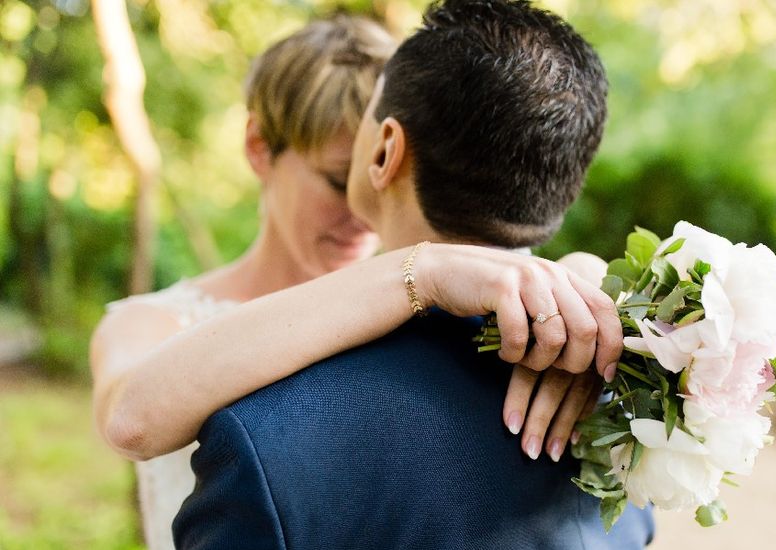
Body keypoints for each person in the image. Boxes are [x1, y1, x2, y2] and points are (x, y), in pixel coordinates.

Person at [91, 14, 623, 550]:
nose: (357, 199)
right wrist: (420, 268)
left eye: (374, 166)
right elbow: (129, 419)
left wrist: (584, 275)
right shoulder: (150, 320)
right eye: (336, 177)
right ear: (258, 145)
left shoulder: (436, 311)